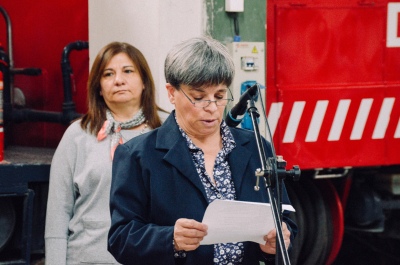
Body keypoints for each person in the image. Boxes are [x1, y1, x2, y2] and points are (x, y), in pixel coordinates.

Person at [108, 36, 297, 265]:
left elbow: (285, 217)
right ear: (171, 93)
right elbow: (120, 238)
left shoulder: (256, 147)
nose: (211, 108)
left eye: (219, 96)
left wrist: (275, 244)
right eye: (198, 97)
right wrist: (169, 239)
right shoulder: (138, 155)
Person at [44, 41, 169, 265]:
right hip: (86, 258)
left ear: (144, 82)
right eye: (108, 74)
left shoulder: (169, 131)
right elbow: (57, 212)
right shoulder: (77, 134)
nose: (119, 80)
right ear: (99, 88)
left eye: (128, 71)